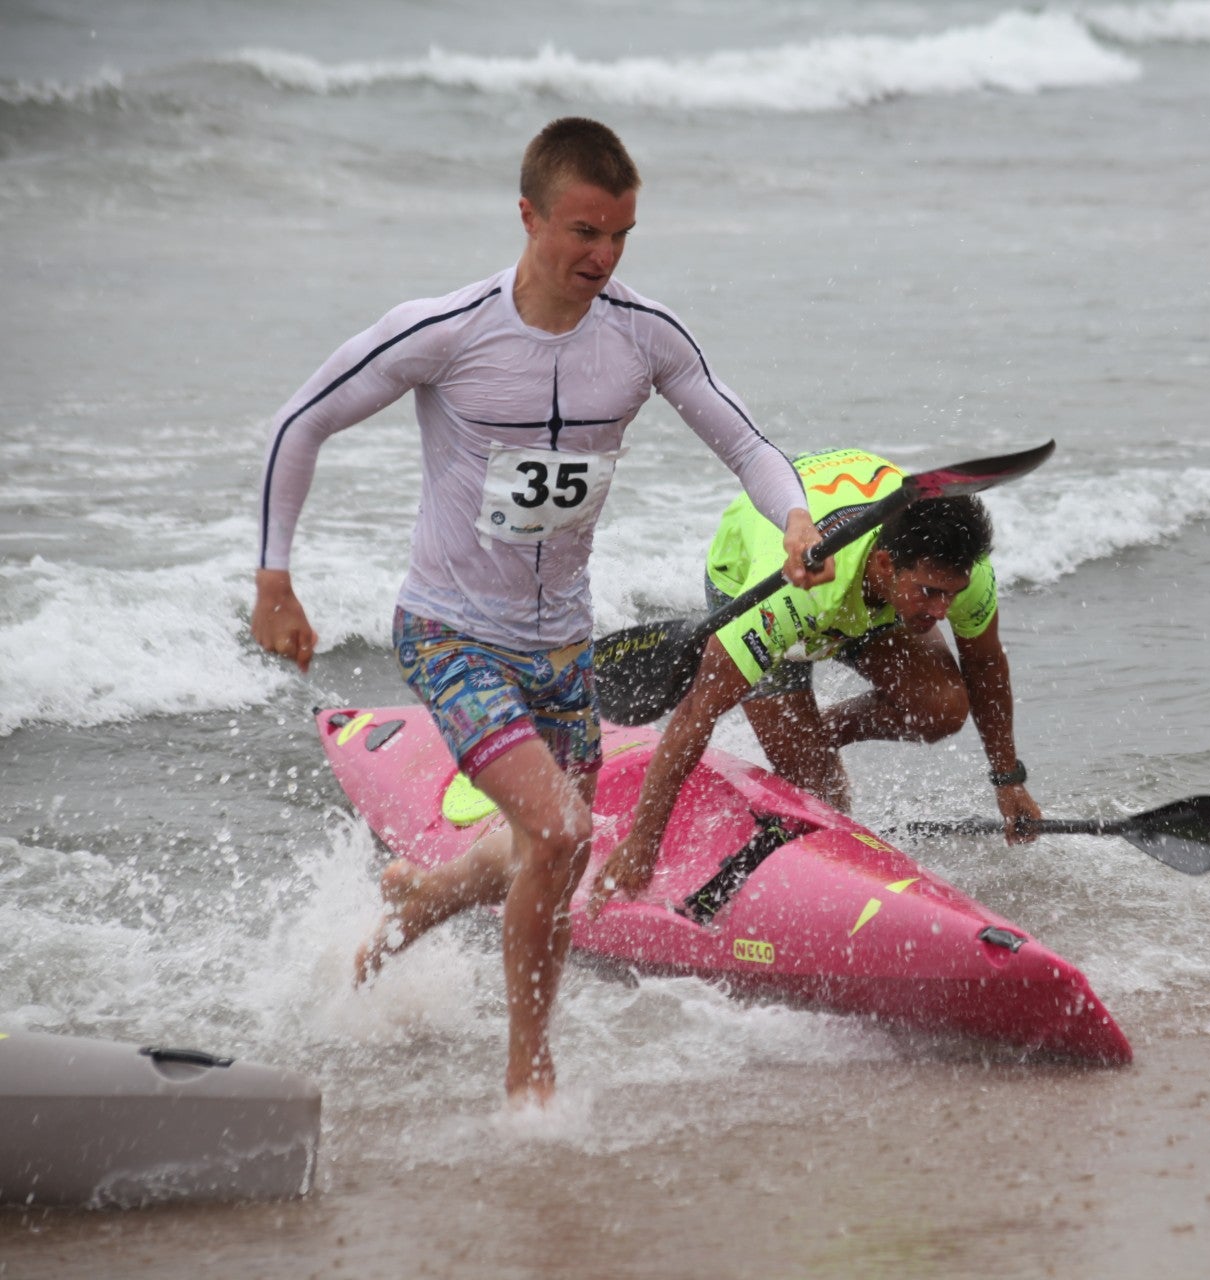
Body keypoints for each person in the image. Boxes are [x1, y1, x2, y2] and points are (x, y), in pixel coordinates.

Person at [249, 117, 829, 1106]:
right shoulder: (449, 330)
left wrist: (796, 518)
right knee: (562, 834)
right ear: (528, 216)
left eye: (620, 236)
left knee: (540, 850)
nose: (602, 256)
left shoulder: (645, 335)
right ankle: (530, 1070)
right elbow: (302, 420)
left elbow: (746, 439)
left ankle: (426, 897)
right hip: (450, 631)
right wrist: (274, 577)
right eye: (583, 231)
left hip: (565, 644)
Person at [587, 446, 1043, 917]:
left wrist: (1008, 780)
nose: (942, 611)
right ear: (886, 565)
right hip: (765, 579)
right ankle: (795, 747)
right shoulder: (787, 599)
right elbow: (696, 712)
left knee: (943, 707)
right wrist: (642, 843)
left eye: (953, 595)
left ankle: (809, 738)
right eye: (930, 593)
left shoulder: (960, 569)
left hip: (861, 598)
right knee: (822, 795)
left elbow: (986, 669)